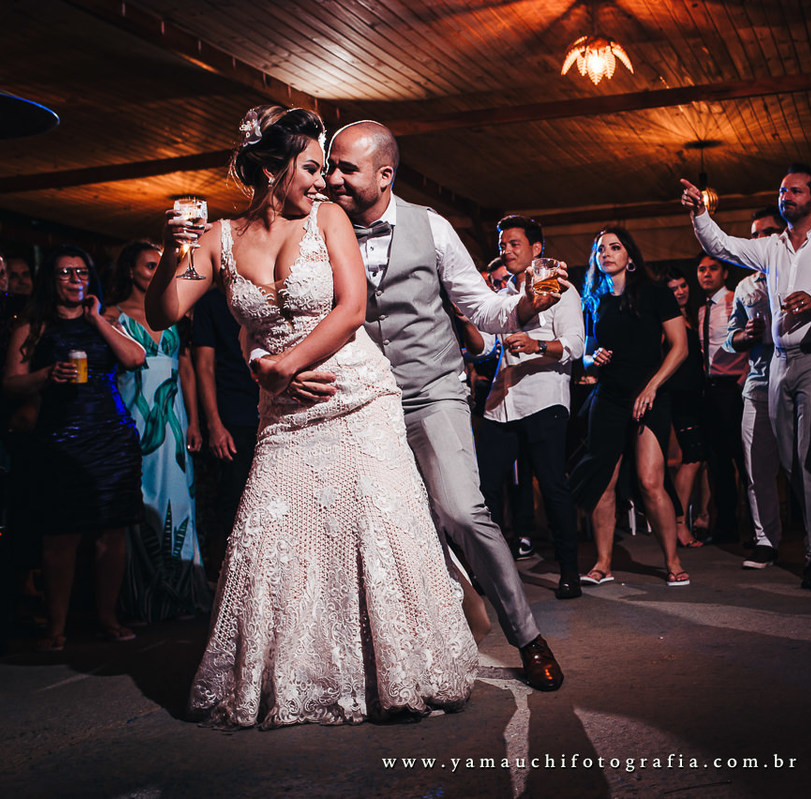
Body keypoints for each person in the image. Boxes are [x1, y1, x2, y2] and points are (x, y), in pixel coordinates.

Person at [147, 105, 477, 728]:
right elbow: (164, 311)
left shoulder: (328, 218)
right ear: (272, 169)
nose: (324, 180)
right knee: (275, 543)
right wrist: (175, 250)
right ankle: (306, 675)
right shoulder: (215, 239)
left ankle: (402, 673)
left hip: (358, 397)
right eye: (312, 168)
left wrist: (280, 366)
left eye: (326, 168)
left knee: (378, 534)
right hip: (285, 418)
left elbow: (352, 308)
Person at [317, 120, 565, 691]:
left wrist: (523, 307)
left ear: (385, 175)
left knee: (460, 511)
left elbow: (479, 308)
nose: (333, 179)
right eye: (330, 166)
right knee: (379, 530)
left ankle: (528, 638)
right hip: (361, 399)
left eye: (345, 169)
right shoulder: (323, 230)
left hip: (433, 391)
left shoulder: (431, 227)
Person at [681, 167, 811, 588]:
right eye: (782, 190)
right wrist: (700, 213)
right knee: (789, 460)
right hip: (775, 365)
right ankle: (791, 539)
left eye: (796, 190)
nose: (786, 195)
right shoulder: (770, 248)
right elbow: (721, 243)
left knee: (810, 462)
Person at [3, 246, 146, 652]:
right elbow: (11, 383)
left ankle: (107, 618)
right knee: (60, 535)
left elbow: (134, 358)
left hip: (111, 434)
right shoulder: (34, 326)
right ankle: (56, 626)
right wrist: (46, 375)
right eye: (65, 273)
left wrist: (97, 319)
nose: (73, 279)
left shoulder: (106, 319)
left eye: (81, 272)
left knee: (111, 531)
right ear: (51, 278)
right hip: (61, 437)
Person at [570, 227, 690, 587]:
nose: (606, 253)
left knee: (650, 481)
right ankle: (603, 563)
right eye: (600, 249)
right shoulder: (593, 300)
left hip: (649, 392)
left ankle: (672, 560)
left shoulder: (655, 294)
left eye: (615, 247)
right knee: (603, 481)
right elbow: (587, 357)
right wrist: (594, 358)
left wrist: (651, 388)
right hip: (608, 395)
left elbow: (679, 347)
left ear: (630, 256)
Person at [473, 215, 585, 599]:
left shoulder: (563, 291)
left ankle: (569, 571)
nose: (506, 250)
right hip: (501, 403)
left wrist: (536, 346)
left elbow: (575, 346)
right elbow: (487, 347)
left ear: (537, 249)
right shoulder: (502, 296)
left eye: (514, 243)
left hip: (544, 399)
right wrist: (463, 318)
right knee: (483, 489)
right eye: (503, 244)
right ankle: (489, 572)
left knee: (553, 487)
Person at [106, 240, 211, 622]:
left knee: (178, 499)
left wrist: (195, 422)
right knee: (141, 499)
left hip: (175, 419)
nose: (156, 271)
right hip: (134, 416)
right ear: (130, 271)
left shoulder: (173, 312)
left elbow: (186, 370)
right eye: (150, 266)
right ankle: (141, 600)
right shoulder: (112, 314)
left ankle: (182, 594)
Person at [724, 207, 786, 568]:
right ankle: (765, 539)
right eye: (755, 234)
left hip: (795, 374)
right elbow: (729, 341)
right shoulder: (745, 286)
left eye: (767, 232)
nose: (759, 240)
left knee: (802, 466)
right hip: (758, 381)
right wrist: (744, 336)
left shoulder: (795, 273)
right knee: (756, 468)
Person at [191, 286, 260, 582]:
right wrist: (214, 425)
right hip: (234, 414)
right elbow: (203, 366)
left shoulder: (262, 291)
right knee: (232, 502)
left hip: (271, 409)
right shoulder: (211, 301)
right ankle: (225, 581)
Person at [696, 254, 749, 543]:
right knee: (718, 464)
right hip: (711, 388)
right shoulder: (703, 309)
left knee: (744, 461)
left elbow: (750, 338)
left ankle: (757, 528)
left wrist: (744, 378)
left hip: (734, 386)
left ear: (724, 272)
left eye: (712, 268)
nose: (706, 274)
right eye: (702, 269)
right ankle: (725, 527)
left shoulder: (732, 300)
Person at [663, 270, 708, 547]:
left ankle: (696, 518)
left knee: (698, 458)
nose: (680, 291)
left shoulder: (691, 315)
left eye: (682, 285)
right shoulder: (668, 321)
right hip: (679, 395)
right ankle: (679, 525)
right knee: (691, 458)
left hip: (695, 394)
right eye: (673, 288)